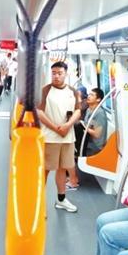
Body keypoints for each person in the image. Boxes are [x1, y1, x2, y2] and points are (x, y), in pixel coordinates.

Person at [38, 61, 81, 212]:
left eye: (59, 73)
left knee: (63, 168)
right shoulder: (45, 91)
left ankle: (61, 200)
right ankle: (38, 203)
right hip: (50, 137)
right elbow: (39, 112)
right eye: (54, 73)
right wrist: (56, 128)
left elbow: (77, 111)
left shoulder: (73, 91)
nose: (56, 76)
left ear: (66, 74)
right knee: (45, 169)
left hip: (68, 137)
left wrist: (67, 125)